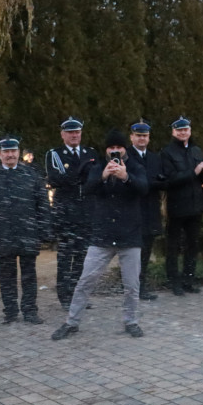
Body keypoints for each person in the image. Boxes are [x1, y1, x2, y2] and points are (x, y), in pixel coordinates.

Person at [52, 130, 148, 339]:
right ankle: (71, 322)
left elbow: (144, 188)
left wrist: (126, 178)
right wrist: (104, 176)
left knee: (132, 285)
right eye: (111, 148)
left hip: (129, 236)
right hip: (102, 236)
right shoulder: (97, 167)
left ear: (125, 149)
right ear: (106, 150)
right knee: (85, 281)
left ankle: (131, 321)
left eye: (119, 148)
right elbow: (86, 189)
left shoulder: (135, 166)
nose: (115, 152)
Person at [0, 137, 51, 324]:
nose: (10, 155)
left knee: (29, 276)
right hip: (3, 234)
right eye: (6, 151)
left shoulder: (31, 175)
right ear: (0, 154)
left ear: (18, 152)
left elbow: (42, 204)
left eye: (13, 151)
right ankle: (10, 312)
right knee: (6, 276)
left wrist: (44, 230)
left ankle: (30, 311)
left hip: (28, 232)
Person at [46, 117, 99, 309]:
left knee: (82, 259)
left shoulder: (90, 153)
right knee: (65, 258)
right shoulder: (55, 155)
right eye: (70, 132)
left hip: (86, 213)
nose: (74, 135)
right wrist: (80, 175)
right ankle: (64, 296)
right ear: (63, 135)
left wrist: (81, 177)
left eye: (77, 132)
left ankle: (79, 296)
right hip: (65, 214)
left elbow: (95, 179)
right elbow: (56, 179)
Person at [161, 116, 203, 295]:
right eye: (179, 130)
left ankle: (188, 280)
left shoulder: (196, 150)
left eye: (186, 130)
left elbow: (202, 179)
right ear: (174, 132)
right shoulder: (167, 152)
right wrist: (194, 172)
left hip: (195, 205)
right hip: (177, 206)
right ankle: (174, 281)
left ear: (190, 131)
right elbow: (170, 180)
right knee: (173, 246)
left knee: (193, 245)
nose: (183, 133)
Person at [128, 119, 166, 301]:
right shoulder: (126, 156)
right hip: (133, 210)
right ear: (132, 137)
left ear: (149, 138)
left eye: (145, 136)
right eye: (138, 135)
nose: (142, 139)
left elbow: (161, 180)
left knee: (145, 252)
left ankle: (141, 287)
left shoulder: (154, 158)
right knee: (132, 254)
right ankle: (132, 288)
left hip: (150, 210)